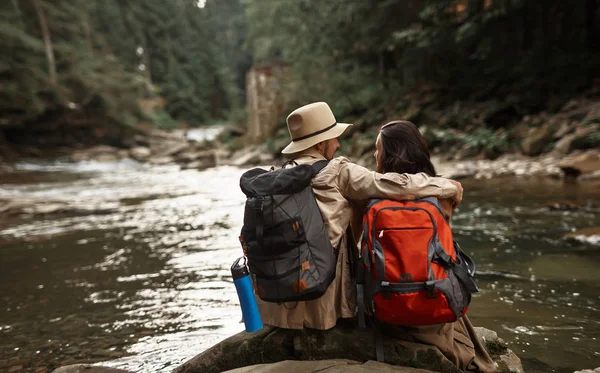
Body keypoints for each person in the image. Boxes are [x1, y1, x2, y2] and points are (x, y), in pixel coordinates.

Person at [255, 102, 464, 331]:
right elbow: (398, 185)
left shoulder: (281, 175)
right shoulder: (337, 171)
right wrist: (448, 187)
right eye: (334, 138)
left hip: (278, 300)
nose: (338, 143)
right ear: (321, 143)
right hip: (321, 303)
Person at [373, 120, 496, 372]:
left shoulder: (371, 195)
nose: (375, 155)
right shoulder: (443, 195)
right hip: (433, 300)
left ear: (392, 153)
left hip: (384, 303)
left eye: (378, 149)